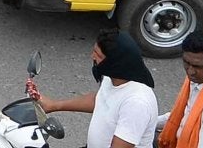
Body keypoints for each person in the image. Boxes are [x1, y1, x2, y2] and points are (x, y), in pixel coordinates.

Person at [28, 30, 162, 148]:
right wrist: (53, 105)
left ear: (115, 63)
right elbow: (101, 100)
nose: (92, 57)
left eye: (98, 55)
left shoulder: (137, 103)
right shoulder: (114, 78)